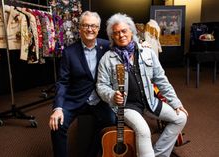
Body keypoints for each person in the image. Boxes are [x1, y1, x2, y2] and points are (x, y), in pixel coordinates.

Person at [96, 13, 188, 157]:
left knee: (181, 117)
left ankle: (159, 154)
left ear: (131, 31)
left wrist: (175, 102)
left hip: (149, 101)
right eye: (116, 33)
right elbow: (101, 86)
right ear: (112, 37)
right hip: (126, 106)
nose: (121, 35)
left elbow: (161, 80)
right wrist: (112, 95)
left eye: (124, 31)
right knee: (144, 131)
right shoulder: (107, 59)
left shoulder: (147, 53)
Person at [49, 11, 116, 157]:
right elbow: (63, 82)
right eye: (85, 25)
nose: (89, 29)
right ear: (79, 28)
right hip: (76, 99)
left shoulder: (107, 46)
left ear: (98, 28)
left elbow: (126, 43)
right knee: (57, 125)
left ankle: (91, 154)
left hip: (100, 99)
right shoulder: (69, 52)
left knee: (111, 121)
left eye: (93, 26)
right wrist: (58, 108)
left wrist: (142, 45)